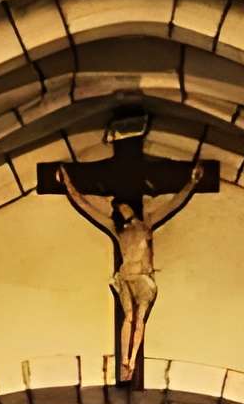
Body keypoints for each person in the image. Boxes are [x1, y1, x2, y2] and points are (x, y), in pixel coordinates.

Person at [57, 163, 199, 383]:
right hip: (126, 279)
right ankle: (125, 359)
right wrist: (68, 185)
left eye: (124, 207)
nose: (122, 210)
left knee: (140, 319)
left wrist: (192, 182)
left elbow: (173, 204)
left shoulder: (146, 226)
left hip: (143, 280)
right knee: (129, 318)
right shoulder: (118, 231)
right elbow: (86, 207)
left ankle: (132, 360)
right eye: (119, 209)